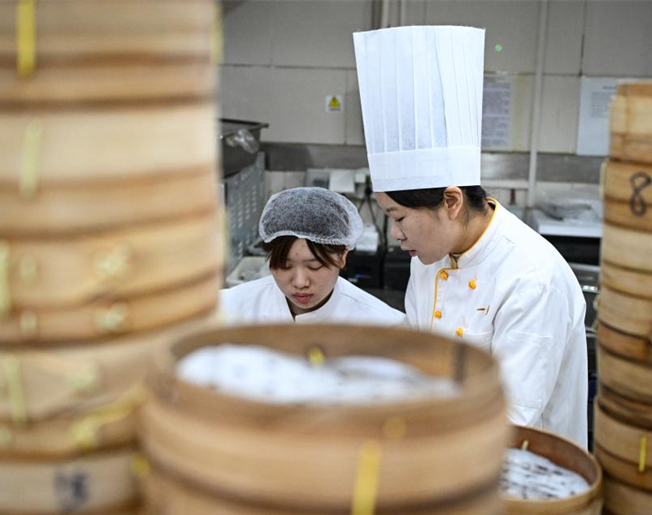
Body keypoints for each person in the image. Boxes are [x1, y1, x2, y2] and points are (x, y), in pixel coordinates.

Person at [354, 26, 588, 446]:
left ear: (451, 201)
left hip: (522, 477)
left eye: (400, 217)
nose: (396, 234)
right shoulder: (429, 255)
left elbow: (512, 417)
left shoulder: (531, 278)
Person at [220, 187, 405, 326]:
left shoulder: (381, 325)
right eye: (285, 265)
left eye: (314, 266)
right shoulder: (228, 308)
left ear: (342, 256)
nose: (300, 283)